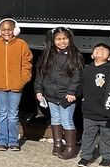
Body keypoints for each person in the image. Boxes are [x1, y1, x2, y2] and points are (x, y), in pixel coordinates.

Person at [0, 18, 32, 151]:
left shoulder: (22, 44)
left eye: (9, 29)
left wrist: (23, 79)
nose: (6, 32)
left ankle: (13, 141)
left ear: (15, 30)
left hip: (16, 86)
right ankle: (2, 140)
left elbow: (27, 63)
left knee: (13, 114)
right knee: (2, 113)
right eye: (4, 29)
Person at [33, 27, 82, 159]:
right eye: (58, 39)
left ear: (69, 39)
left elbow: (76, 77)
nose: (62, 42)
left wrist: (72, 92)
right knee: (55, 119)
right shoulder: (47, 55)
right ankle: (58, 144)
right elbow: (40, 74)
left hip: (67, 96)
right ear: (53, 41)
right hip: (51, 95)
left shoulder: (75, 56)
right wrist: (38, 90)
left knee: (66, 120)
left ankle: (71, 148)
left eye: (64, 38)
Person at [77, 43, 110, 167]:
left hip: (107, 113)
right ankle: (86, 157)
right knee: (88, 136)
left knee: (107, 136)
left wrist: (108, 110)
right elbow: (81, 86)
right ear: (92, 55)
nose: (100, 50)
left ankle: (107, 157)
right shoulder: (87, 69)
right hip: (89, 111)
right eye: (97, 48)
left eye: (104, 49)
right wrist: (72, 95)